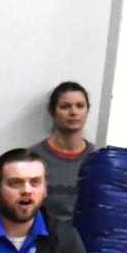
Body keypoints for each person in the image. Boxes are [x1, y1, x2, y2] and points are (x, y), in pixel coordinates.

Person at [29, 81, 93, 225]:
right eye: (65, 106)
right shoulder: (32, 159)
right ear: (52, 111)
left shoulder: (97, 159)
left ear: (87, 111)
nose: (73, 112)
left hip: (85, 242)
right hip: (44, 239)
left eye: (80, 106)